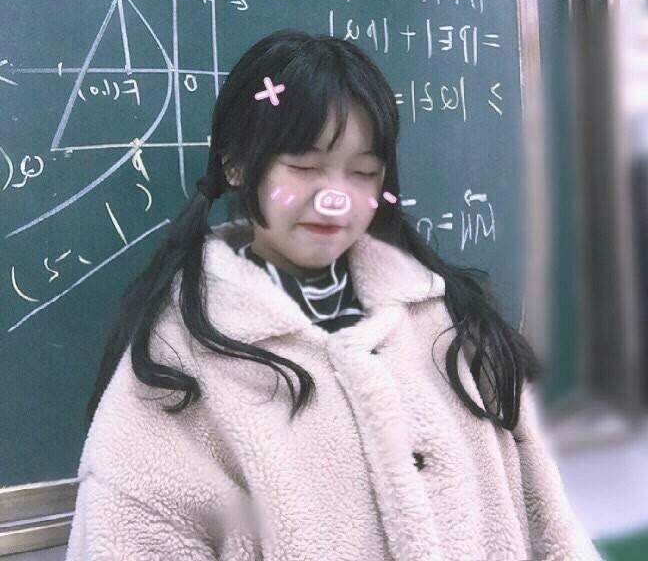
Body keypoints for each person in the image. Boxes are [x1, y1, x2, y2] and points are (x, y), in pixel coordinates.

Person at [65, 29, 602, 560]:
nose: (336, 199)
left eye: (363, 173)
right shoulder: (178, 362)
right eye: (304, 168)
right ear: (236, 163)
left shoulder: (444, 321)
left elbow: (550, 526)